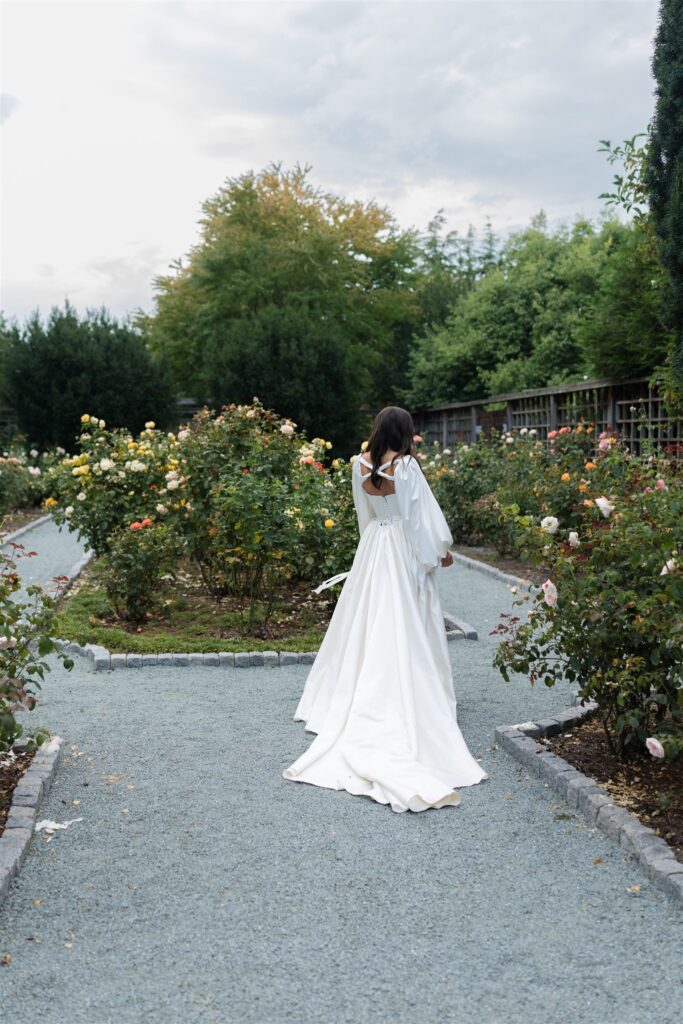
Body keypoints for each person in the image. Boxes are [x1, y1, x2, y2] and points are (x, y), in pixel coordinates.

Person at [282, 405, 488, 812]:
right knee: (405, 621)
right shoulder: (406, 468)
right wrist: (437, 555)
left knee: (367, 618)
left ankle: (353, 688)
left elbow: (367, 515)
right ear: (405, 433)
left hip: (375, 547)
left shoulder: (359, 465)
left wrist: (368, 550)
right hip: (402, 550)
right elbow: (419, 519)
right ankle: (406, 690)